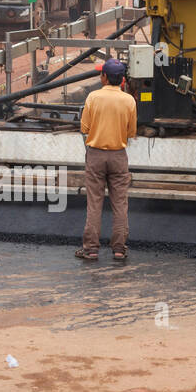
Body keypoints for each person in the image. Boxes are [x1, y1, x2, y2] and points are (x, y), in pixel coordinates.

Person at [76, 58, 137, 261]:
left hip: (95, 155)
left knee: (95, 203)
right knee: (120, 203)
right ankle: (119, 249)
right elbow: (131, 131)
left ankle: (91, 249)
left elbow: (84, 128)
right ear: (121, 80)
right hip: (119, 156)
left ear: (104, 77)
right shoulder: (129, 100)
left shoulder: (93, 98)